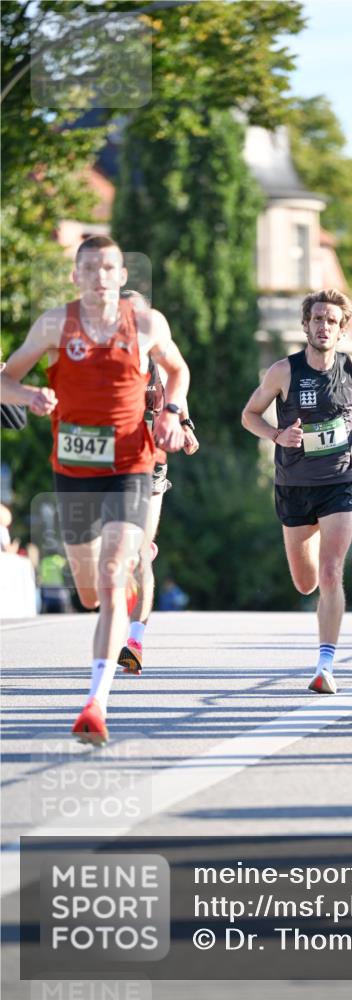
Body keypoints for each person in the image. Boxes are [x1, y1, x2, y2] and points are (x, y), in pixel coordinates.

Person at [2, 235, 190, 743]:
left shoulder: (147, 324)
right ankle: (123, 585)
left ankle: (96, 703)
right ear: (76, 276)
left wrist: (173, 414)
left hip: (132, 462)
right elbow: (5, 380)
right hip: (74, 470)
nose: (100, 277)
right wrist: (30, 394)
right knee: (89, 590)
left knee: (110, 574)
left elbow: (178, 370)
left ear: (122, 276)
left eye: (109, 268)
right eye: (90, 268)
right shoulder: (52, 325)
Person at [241, 288, 352, 694]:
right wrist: (276, 434)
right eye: (317, 319)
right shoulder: (283, 372)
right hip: (294, 486)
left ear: (342, 331)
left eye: (332, 321)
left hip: (339, 483)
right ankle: (313, 541)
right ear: (306, 325)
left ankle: (325, 665)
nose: (324, 326)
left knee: (331, 570)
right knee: (305, 582)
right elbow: (248, 415)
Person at [115, 291, 199, 676]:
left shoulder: (159, 354)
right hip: (108, 465)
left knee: (138, 554)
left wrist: (184, 426)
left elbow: (177, 395)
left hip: (151, 463)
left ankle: (134, 640)